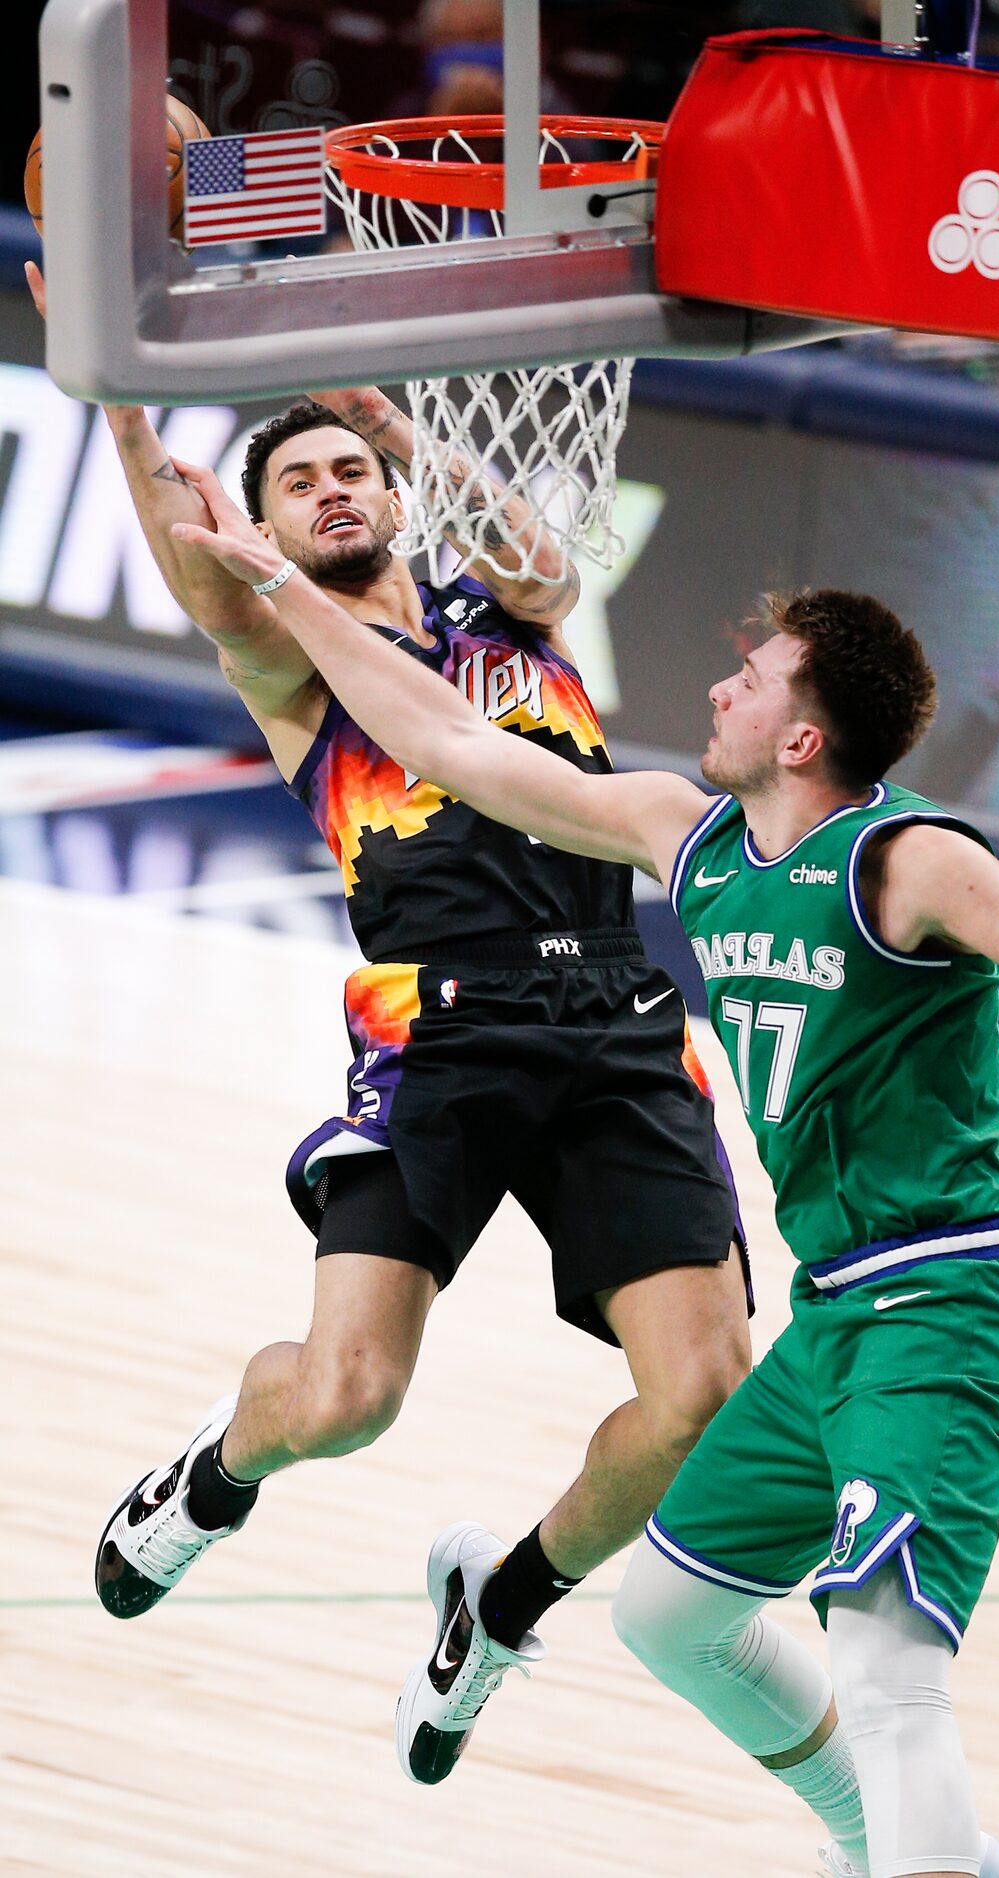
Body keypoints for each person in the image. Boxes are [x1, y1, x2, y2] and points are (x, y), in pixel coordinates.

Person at [163, 462, 999, 1878]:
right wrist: (281, 587)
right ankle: (900, 1843)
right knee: (669, 1611)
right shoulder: (692, 836)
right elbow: (452, 740)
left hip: (958, 1304)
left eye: (756, 674)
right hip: (838, 1316)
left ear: (805, 736)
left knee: (885, 1661)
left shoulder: (905, 860)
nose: (724, 684)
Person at [24, 266, 756, 1784]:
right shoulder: (286, 654)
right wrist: (112, 393)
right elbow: (194, 558)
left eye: (348, 468)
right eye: (298, 482)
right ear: (267, 532)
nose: (333, 488)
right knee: (349, 1396)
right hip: (444, 1027)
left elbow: (549, 548)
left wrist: (405, 432)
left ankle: (497, 1608)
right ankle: (214, 1475)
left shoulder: (512, 609)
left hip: (620, 1012)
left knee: (704, 1400)